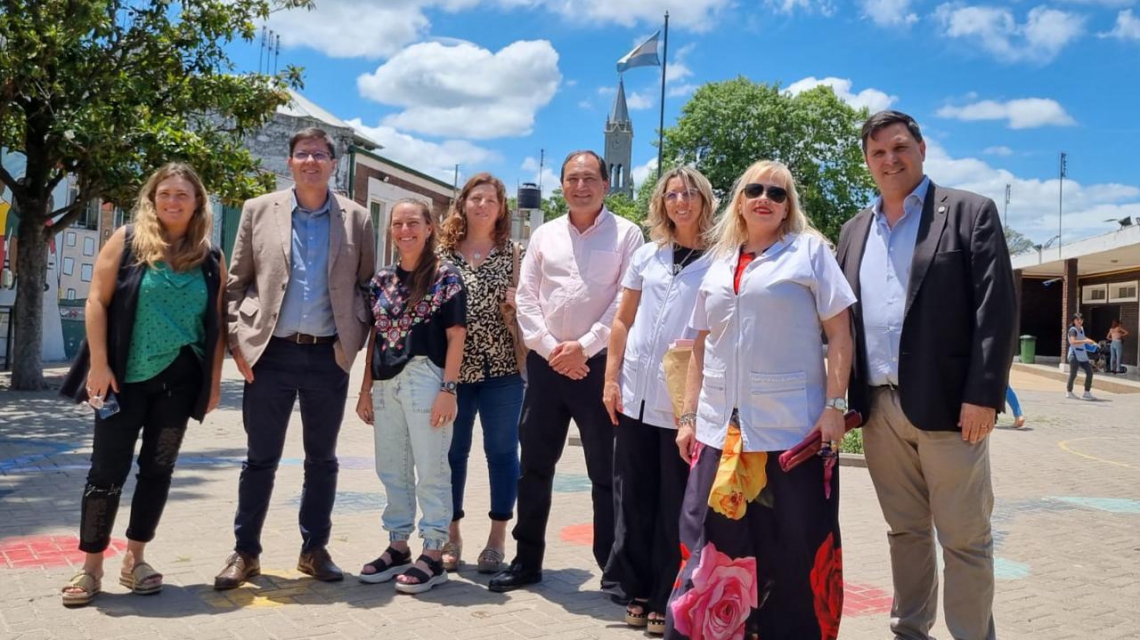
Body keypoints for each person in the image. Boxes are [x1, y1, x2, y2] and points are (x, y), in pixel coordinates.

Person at [835, 110, 1017, 640]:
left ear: (922, 149)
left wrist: (983, 396)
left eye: (899, 147)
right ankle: (909, 630)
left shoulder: (969, 212)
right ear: (867, 162)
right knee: (905, 532)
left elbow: (996, 312)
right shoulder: (853, 231)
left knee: (965, 538)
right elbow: (841, 322)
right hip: (878, 410)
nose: (889, 160)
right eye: (878, 152)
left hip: (952, 409)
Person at [666, 160, 856, 640]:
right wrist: (688, 416)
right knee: (710, 551)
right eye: (754, 190)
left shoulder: (809, 253)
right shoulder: (717, 261)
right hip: (719, 433)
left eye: (777, 192)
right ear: (739, 201)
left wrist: (835, 407)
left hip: (789, 432)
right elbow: (701, 344)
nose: (765, 198)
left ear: (788, 206)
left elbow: (840, 334)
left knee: (793, 552)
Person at [215, 127, 376, 590]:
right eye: (303, 154)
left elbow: (365, 285)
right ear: (290, 162)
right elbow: (236, 283)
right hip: (269, 355)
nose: (311, 162)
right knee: (260, 459)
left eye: (320, 155)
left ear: (333, 164)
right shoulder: (258, 210)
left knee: (322, 460)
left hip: (329, 356)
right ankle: (245, 552)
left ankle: (314, 549)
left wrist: (353, 339)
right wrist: (238, 344)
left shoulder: (357, 218)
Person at [58, 163, 227, 606]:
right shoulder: (128, 240)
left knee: (158, 469)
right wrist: (99, 364)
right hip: (123, 379)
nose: (173, 201)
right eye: (165, 193)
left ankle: (135, 559)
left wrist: (213, 384)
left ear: (197, 202)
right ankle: (91, 566)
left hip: (180, 383)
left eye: (182, 195)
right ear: (153, 199)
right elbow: (97, 300)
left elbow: (216, 325)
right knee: (105, 472)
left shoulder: (211, 257)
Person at [489, 150, 644, 593]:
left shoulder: (628, 235)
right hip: (545, 368)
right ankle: (527, 561)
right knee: (534, 468)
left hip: (599, 370)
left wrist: (586, 347)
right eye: (573, 179)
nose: (581, 186)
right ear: (561, 186)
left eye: (589, 178)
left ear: (605, 185)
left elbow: (625, 301)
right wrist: (552, 349)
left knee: (605, 474)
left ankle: (613, 569)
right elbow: (526, 297)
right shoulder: (545, 235)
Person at [602, 167, 715, 635]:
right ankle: (637, 588)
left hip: (683, 403)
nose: (681, 202)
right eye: (672, 195)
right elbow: (622, 321)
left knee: (675, 501)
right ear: (661, 202)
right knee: (634, 497)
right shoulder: (648, 256)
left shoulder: (721, 258)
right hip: (635, 396)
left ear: (704, 200)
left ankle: (668, 592)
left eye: (689, 194)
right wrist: (611, 380)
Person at [355, 199, 466, 594]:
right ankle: (398, 546)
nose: (405, 230)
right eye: (398, 224)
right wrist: (365, 389)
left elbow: (456, 335)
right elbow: (376, 335)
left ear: (429, 227)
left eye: (413, 223)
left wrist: (448, 390)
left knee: (431, 469)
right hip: (386, 382)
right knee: (392, 468)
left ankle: (433, 552)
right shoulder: (382, 280)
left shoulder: (446, 277)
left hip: (426, 377)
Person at [436, 173, 525, 574]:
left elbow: (536, 303)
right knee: (452, 453)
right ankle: (451, 534)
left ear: (501, 208)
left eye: (491, 200)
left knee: (502, 452)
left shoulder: (515, 253)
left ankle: (496, 538)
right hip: (452, 371)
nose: (483, 206)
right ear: (463, 204)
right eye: (476, 198)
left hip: (502, 369)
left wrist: (520, 302)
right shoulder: (443, 253)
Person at [1066, 313, 1097, 400]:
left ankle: (1087, 392)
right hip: (1074, 355)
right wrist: (1085, 341)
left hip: (1082, 355)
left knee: (1089, 372)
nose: (1079, 321)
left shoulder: (1081, 329)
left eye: (1081, 319)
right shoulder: (1073, 330)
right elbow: (1073, 342)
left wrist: (1092, 342)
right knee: (1073, 374)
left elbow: (1083, 338)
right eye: (1077, 320)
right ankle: (1069, 392)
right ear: (1074, 321)